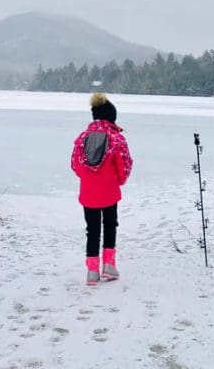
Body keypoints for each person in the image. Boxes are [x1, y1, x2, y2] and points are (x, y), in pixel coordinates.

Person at [71, 92, 133, 286]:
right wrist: (118, 181)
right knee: (110, 226)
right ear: (111, 117)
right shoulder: (116, 139)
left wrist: (89, 179)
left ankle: (92, 272)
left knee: (92, 230)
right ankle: (108, 266)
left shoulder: (82, 138)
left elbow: (75, 165)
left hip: (88, 193)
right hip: (109, 192)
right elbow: (125, 166)